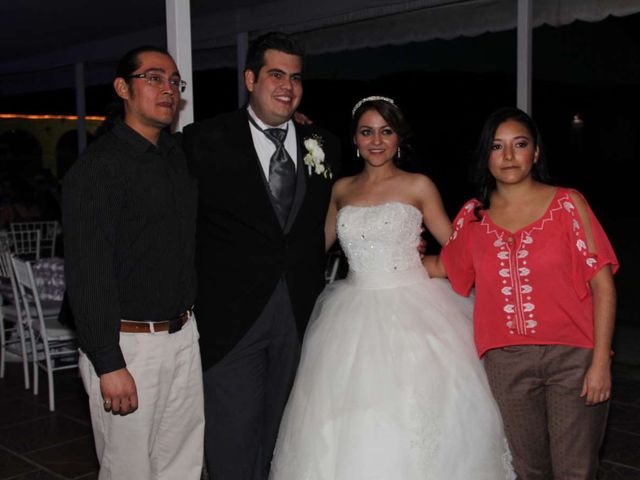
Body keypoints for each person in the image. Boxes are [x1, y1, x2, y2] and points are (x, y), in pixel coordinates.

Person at [269, 96, 515, 480]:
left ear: (400, 137)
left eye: (386, 131)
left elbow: (457, 250)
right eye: (367, 132)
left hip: (415, 307)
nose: (377, 140)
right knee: (352, 419)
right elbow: (312, 247)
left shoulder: (419, 185)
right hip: (350, 315)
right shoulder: (341, 189)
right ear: (355, 139)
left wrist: (430, 261)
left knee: (417, 416)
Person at [181, 32, 340, 480]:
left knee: (287, 433)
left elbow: (332, 214)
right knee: (231, 436)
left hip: (299, 311)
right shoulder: (202, 140)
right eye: (275, 74)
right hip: (230, 317)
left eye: (295, 77)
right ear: (250, 78)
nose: (287, 85)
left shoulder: (324, 144)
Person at [429, 107, 618, 479]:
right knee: (529, 471)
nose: (509, 156)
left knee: (575, 471)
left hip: (573, 360)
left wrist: (600, 363)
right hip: (506, 364)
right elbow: (444, 267)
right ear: (486, 157)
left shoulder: (568, 204)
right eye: (497, 147)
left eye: (520, 144)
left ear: (536, 152)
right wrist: (384, 260)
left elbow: (604, 286)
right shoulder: (473, 217)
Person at [63, 46, 203, 479]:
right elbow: (88, 272)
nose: (167, 89)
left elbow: (226, 140)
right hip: (128, 345)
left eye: (174, 81)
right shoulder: (97, 169)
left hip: (183, 335)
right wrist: (108, 362)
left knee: (182, 463)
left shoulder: (176, 156)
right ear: (123, 88)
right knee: (128, 469)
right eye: (154, 77)